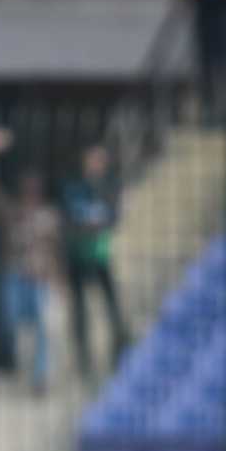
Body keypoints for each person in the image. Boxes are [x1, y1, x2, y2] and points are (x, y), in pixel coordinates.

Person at [0, 126, 62, 394]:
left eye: (35, 185)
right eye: (27, 184)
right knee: (9, 323)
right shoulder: (11, 212)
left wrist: (59, 281)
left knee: (44, 330)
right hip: (13, 275)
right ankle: (12, 363)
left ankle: (40, 377)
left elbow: (56, 251)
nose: (30, 188)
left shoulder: (49, 216)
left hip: (39, 277)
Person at [61, 143, 131, 381]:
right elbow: (70, 217)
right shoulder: (74, 186)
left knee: (112, 306)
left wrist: (94, 222)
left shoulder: (111, 187)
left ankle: (118, 352)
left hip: (100, 255)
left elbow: (113, 218)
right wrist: (91, 222)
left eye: (100, 160)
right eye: (92, 159)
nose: (96, 164)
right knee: (79, 309)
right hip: (77, 255)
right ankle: (83, 357)